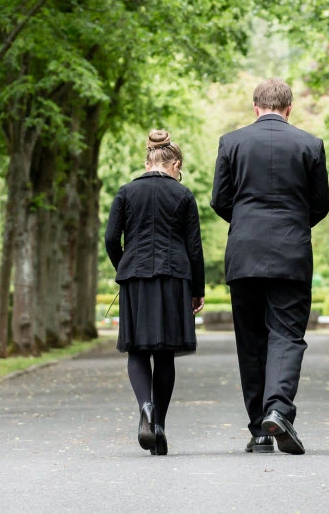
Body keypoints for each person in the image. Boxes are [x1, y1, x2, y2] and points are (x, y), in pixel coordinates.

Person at [211, 78, 329, 455]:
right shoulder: (310, 145)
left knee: (250, 339)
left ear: (255, 107)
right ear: (289, 108)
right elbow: (321, 202)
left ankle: (259, 428)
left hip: (244, 250)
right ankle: (278, 408)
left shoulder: (232, 143)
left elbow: (220, 199)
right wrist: (294, 224)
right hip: (291, 251)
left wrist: (247, 222)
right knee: (287, 334)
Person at [104, 130, 205, 456]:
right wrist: (197, 290)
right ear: (174, 163)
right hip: (174, 277)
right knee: (164, 353)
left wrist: (125, 267)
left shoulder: (125, 192)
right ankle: (158, 424)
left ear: (147, 162)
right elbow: (194, 248)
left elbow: (110, 239)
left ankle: (145, 408)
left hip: (135, 278)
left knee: (136, 349)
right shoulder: (183, 195)